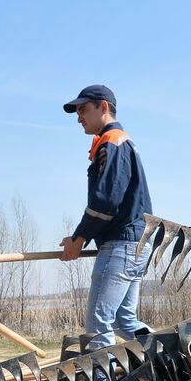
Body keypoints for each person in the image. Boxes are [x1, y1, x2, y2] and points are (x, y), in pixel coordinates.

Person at [58, 85, 154, 351]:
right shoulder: (122, 143)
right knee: (126, 322)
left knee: (99, 326)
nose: (78, 117)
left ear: (103, 107)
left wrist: (79, 239)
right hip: (135, 244)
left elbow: (106, 202)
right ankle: (169, 360)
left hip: (120, 246)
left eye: (83, 110)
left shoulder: (112, 142)